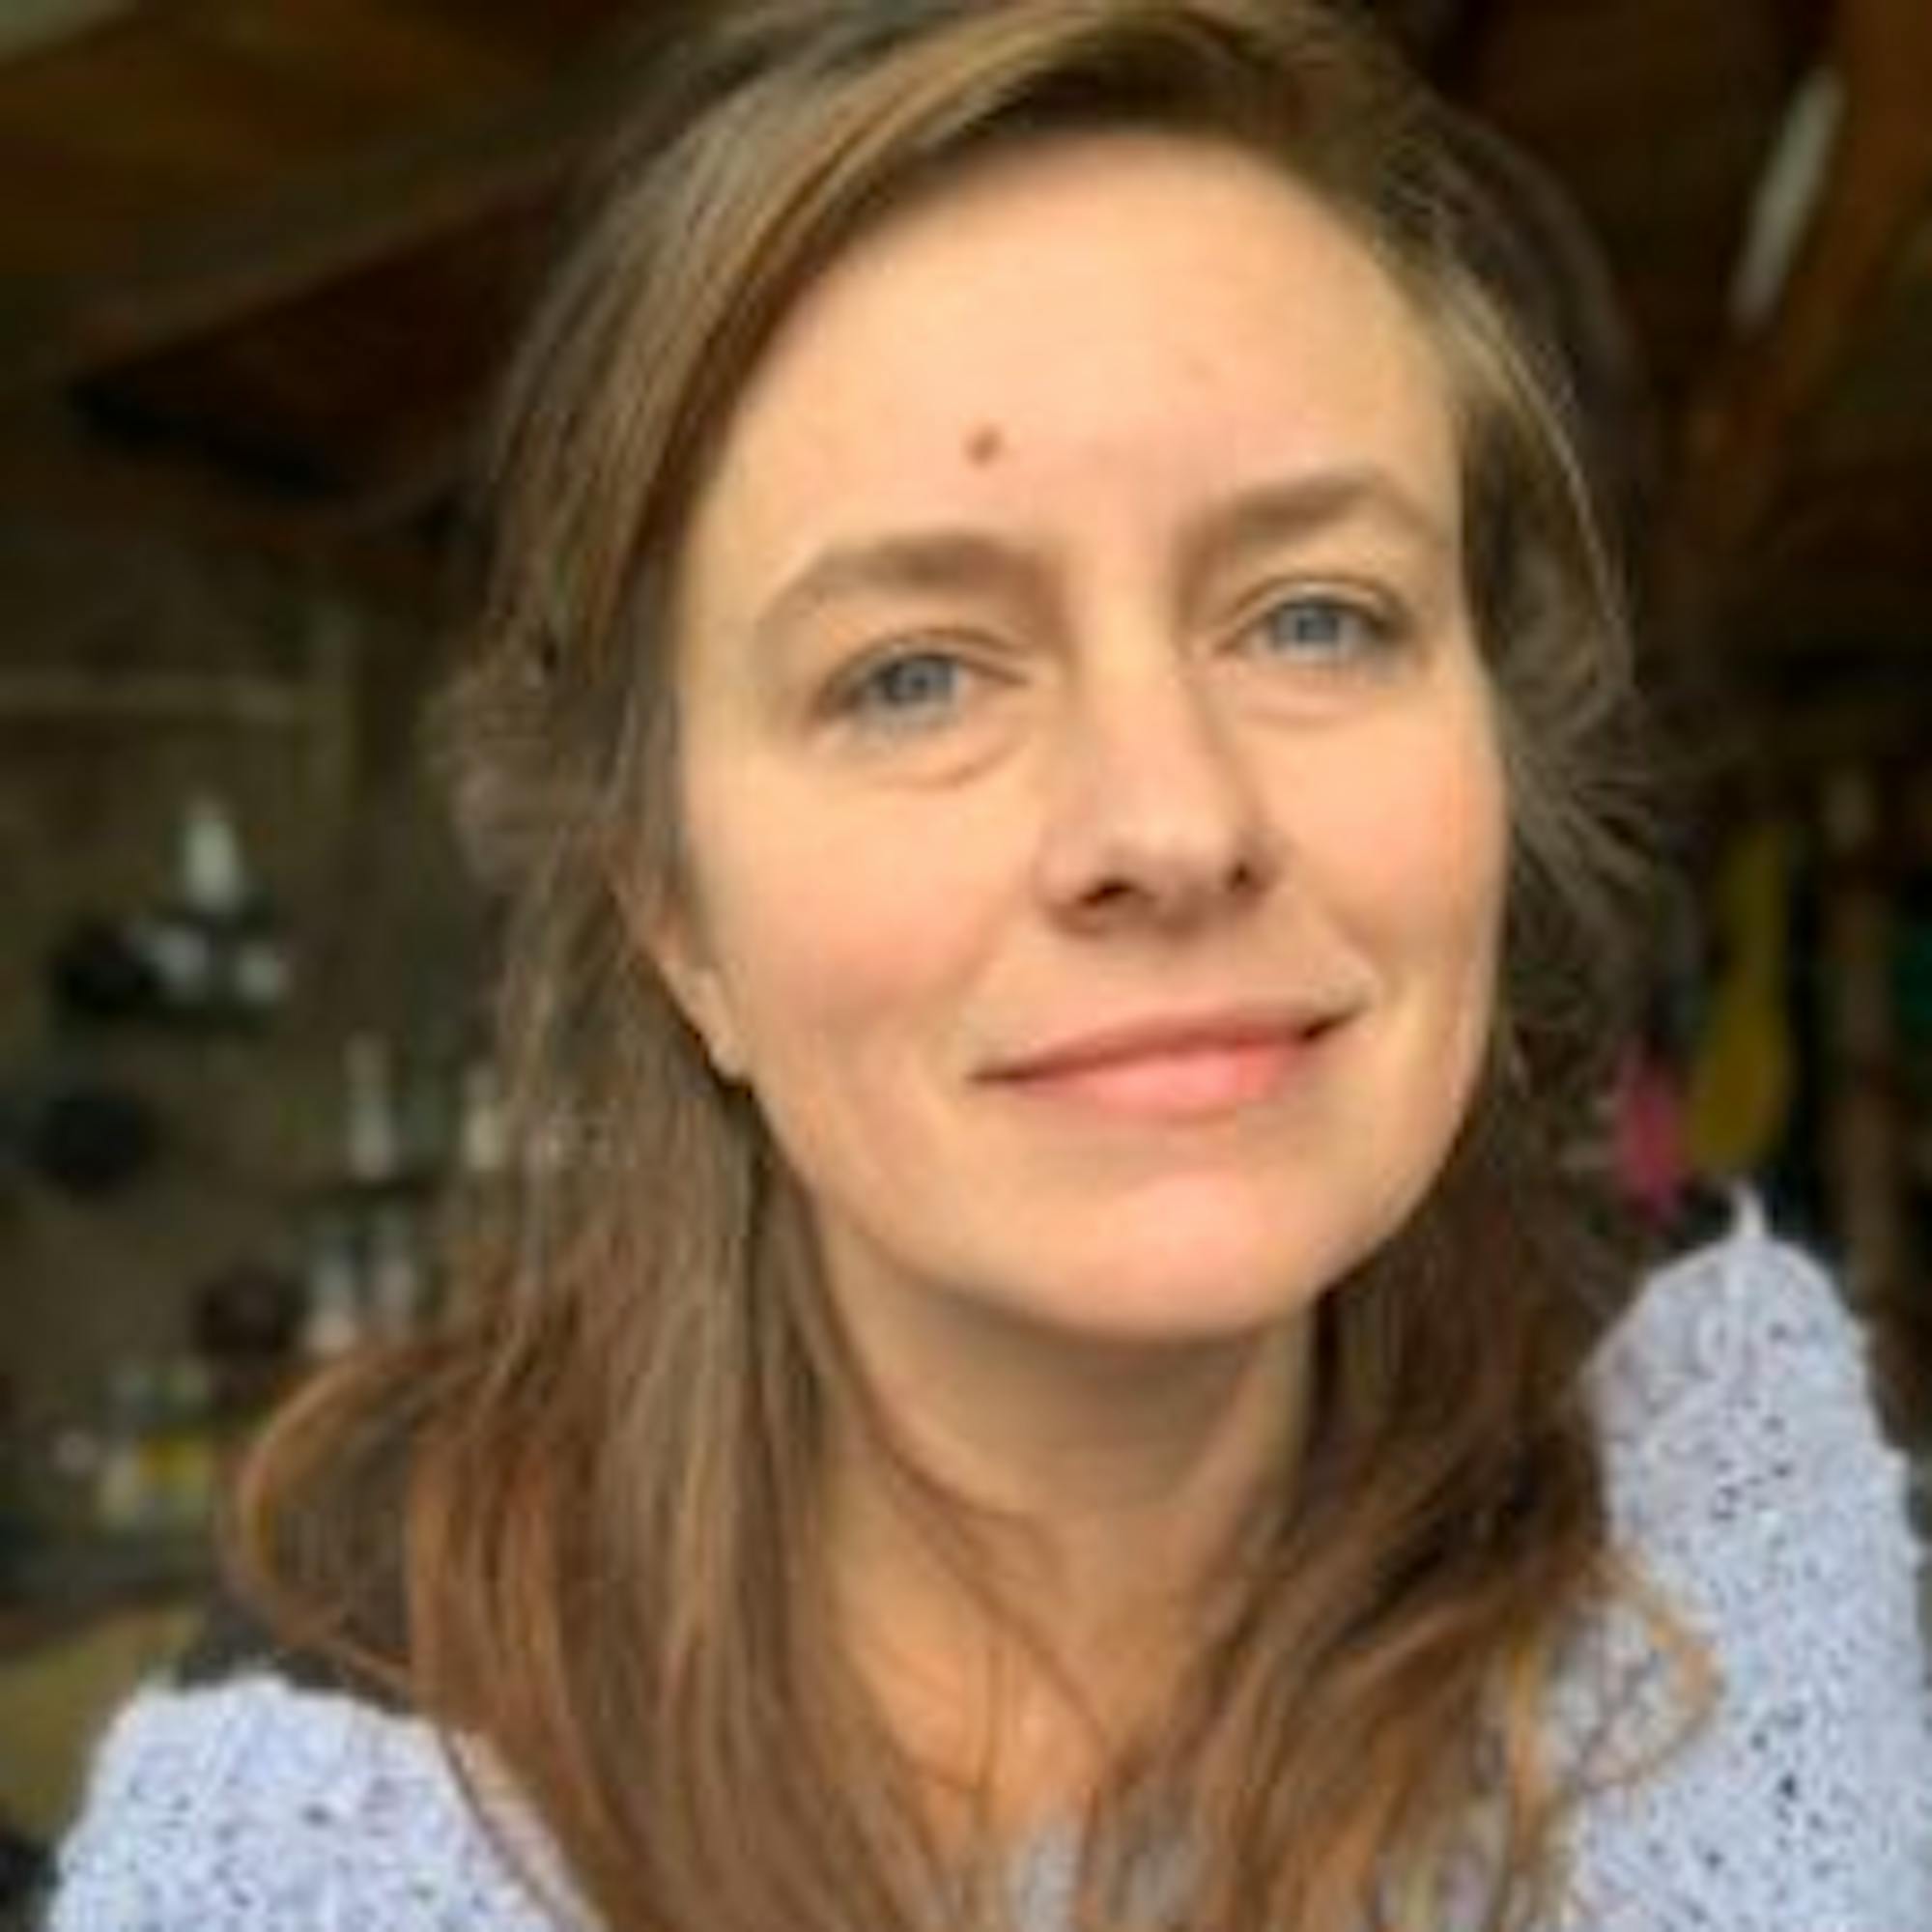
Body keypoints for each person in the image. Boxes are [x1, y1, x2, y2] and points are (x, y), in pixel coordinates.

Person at [44, 3, 1932, 1928]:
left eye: (1312, 615)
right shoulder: (333, 1835)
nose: (1170, 820)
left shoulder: (1736, 1563)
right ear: (672, 912)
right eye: (913, 672)